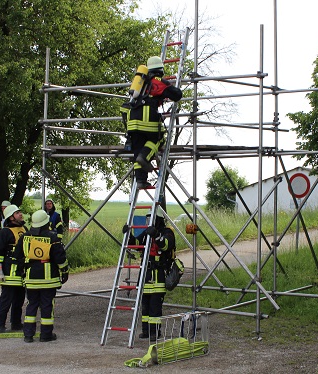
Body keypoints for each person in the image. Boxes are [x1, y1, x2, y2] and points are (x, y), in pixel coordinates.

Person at [123, 56, 182, 189]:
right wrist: (169, 87)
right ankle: (144, 158)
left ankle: (141, 181)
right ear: (160, 69)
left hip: (132, 121)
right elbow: (177, 95)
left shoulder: (139, 83)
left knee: (138, 148)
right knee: (158, 139)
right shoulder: (157, 81)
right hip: (147, 119)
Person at [13, 209, 68, 343]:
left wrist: (23, 270)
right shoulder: (53, 238)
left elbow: (17, 256)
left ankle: (28, 335)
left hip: (31, 279)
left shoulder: (24, 237)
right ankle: (46, 335)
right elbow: (60, 258)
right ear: (46, 222)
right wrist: (65, 272)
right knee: (47, 306)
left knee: (31, 304)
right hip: (49, 279)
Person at [130, 209, 176, 341]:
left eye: (151, 218)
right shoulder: (147, 233)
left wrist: (156, 235)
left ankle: (155, 332)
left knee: (155, 307)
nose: (148, 221)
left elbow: (166, 245)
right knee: (145, 305)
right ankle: (146, 331)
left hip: (159, 274)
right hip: (145, 274)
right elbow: (138, 245)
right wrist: (129, 236)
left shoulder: (167, 232)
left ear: (158, 219)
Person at [0, 205, 28, 333]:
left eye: (20, 212)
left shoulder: (24, 229)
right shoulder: (5, 232)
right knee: (6, 299)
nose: (20, 214)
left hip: (21, 271)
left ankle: (16, 323)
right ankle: (0, 325)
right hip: (9, 271)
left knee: (19, 299)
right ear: (11, 217)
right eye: (17, 213)